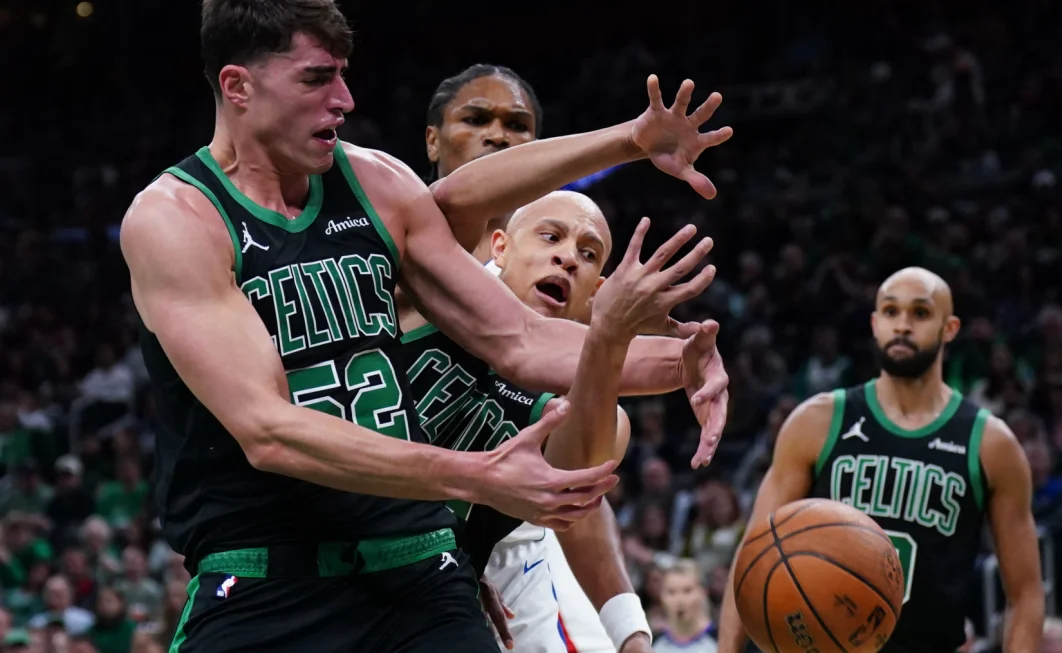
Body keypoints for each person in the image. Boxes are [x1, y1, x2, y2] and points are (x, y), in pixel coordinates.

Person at [119, 2, 732, 651]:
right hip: (267, 577)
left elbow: (519, 340)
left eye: (343, 76)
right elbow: (270, 432)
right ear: (238, 85)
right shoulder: (176, 218)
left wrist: (680, 363)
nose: (344, 100)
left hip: (421, 568)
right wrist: (473, 474)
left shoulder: (377, 185)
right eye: (315, 79)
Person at [412, 63, 676, 653]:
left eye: (517, 127)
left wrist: (628, 627)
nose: (498, 138)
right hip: (372, 545)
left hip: (505, 562)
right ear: (433, 139)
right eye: (476, 120)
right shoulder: (404, 257)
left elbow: (575, 502)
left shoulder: (577, 358)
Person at [716, 267, 1046, 653]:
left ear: (950, 328)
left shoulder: (990, 442)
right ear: (874, 323)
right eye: (891, 311)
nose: (902, 325)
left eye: (920, 313)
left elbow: (1025, 593)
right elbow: (753, 556)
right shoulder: (818, 421)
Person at [653, 559, 718, 653]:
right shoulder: (652, 644)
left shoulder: (722, 641)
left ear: (703, 592)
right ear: (661, 596)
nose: (679, 600)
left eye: (687, 591)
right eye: (671, 592)